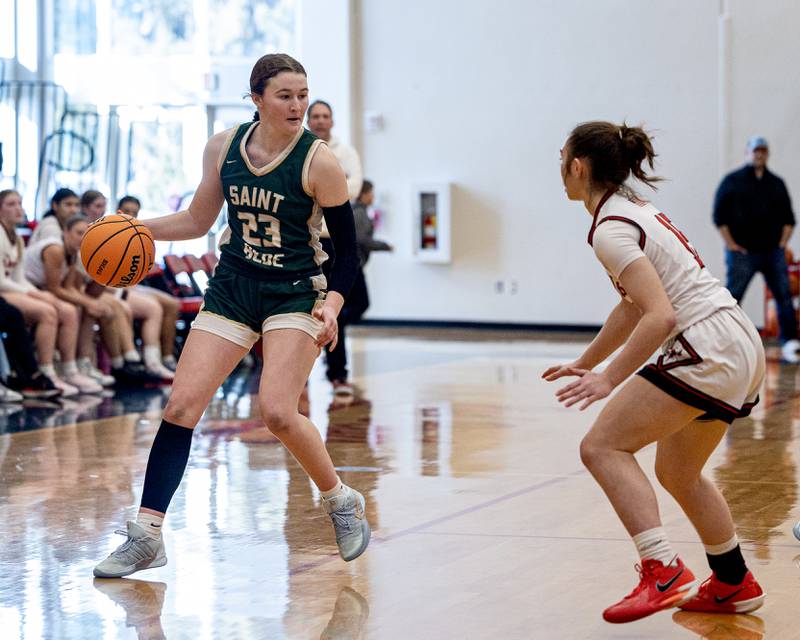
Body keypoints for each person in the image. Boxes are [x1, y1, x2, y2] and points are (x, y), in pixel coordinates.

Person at [94, 53, 370, 579]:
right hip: (233, 287)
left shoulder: (320, 162)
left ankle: (340, 500)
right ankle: (147, 534)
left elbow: (348, 253)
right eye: (285, 95)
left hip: (294, 291)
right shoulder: (224, 147)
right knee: (180, 406)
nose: (297, 105)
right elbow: (199, 220)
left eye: (302, 94)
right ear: (257, 99)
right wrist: (133, 228)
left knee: (278, 412)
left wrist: (332, 306)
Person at [545, 121, 765, 624]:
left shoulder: (610, 228)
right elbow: (632, 307)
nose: (559, 169)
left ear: (578, 167)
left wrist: (608, 379)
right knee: (678, 471)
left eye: (562, 159)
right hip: (737, 338)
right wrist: (586, 362)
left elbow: (660, 315)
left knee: (601, 446)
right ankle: (733, 580)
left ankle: (662, 569)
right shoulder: (635, 210)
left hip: (705, 343)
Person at [0, 189, 102, 395]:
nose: (18, 208)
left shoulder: (18, 239)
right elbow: (2, 281)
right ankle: (44, 371)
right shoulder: (52, 247)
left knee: (68, 310)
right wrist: (36, 295)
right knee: (48, 311)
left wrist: (38, 294)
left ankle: (69, 369)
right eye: (11, 204)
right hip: (5, 290)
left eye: (20, 203)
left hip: (17, 288)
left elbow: (19, 279)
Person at [713, 136, 799, 362]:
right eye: (755, 150)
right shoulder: (732, 181)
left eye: (763, 151)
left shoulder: (776, 183)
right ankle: (722, 341)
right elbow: (719, 217)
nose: (759, 154)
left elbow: (789, 218)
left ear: (767, 154)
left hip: (772, 252)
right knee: (732, 297)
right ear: (747, 152)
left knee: (783, 296)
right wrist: (731, 245)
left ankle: (790, 341)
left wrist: (782, 244)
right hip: (743, 254)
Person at [307, 100, 364, 390]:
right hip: (312, 240)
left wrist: (326, 186)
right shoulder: (300, 150)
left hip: (338, 240)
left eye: (324, 116)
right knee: (326, 307)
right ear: (309, 120)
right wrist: (329, 183)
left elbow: (354, 186)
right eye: (314, 116)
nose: (319, 120)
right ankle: (336, 372)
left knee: (357, 301)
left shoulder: (345, 152)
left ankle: (328, 332)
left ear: (332, 120)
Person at [325, 180, 392, 394]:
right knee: (361, 303)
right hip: (352, 268)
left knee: (353, 307)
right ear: (363, 194)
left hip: (350, 266)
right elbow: (361, 239)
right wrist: (384, 246)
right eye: (371, 192)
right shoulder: (359, 212)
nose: (373, 196)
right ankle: (337, 323)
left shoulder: (356, 211)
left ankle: (337, 323)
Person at [116, 195, 181, 372]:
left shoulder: (136, 235)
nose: (131, 215)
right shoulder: (110, 233)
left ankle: (167, 357)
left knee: (173, 304)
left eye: (134, 213)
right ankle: (152, 362)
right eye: (127, 211)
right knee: (153, 308)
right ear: (118, 211)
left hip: (131, 285)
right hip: (114, 287)